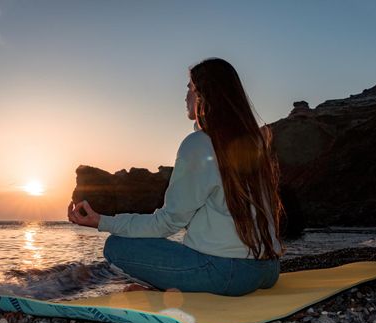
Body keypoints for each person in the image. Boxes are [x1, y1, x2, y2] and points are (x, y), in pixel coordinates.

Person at [67, 57, 286, 296]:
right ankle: (163, 286)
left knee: (116, 245)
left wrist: (101, 221)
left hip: (228, 275)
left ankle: (160, 290)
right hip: (268, 270)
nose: (186, 97)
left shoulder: (199, 144)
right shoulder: (255, 143)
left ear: (205, 96)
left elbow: (168, 222)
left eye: (191, 89)